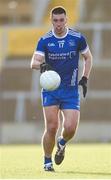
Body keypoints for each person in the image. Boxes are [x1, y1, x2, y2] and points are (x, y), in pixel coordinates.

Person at [31, 6, 92, 171]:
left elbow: (88, 57)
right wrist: (42, 64)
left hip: (70, 90)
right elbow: (33, 63)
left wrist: (85, 78)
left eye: (61, 20)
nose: (58, 24)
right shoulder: (44, 40)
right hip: (51, 90)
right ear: (51, 20)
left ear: (66, 20)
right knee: (51, 127)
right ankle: (47, 161)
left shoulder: (77, 38)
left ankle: (62, 143)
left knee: (71, 128)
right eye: (55, 20)